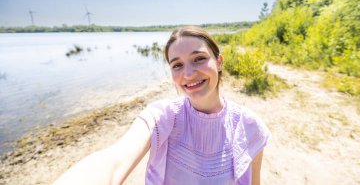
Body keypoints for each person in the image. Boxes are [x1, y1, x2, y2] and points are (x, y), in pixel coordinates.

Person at [53, 26, 271, 185]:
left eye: (199, 59)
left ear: (219, 61)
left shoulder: (249, 125)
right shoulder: (164, 116)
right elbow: (114, 159)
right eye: (177, 65)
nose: (188, 73)